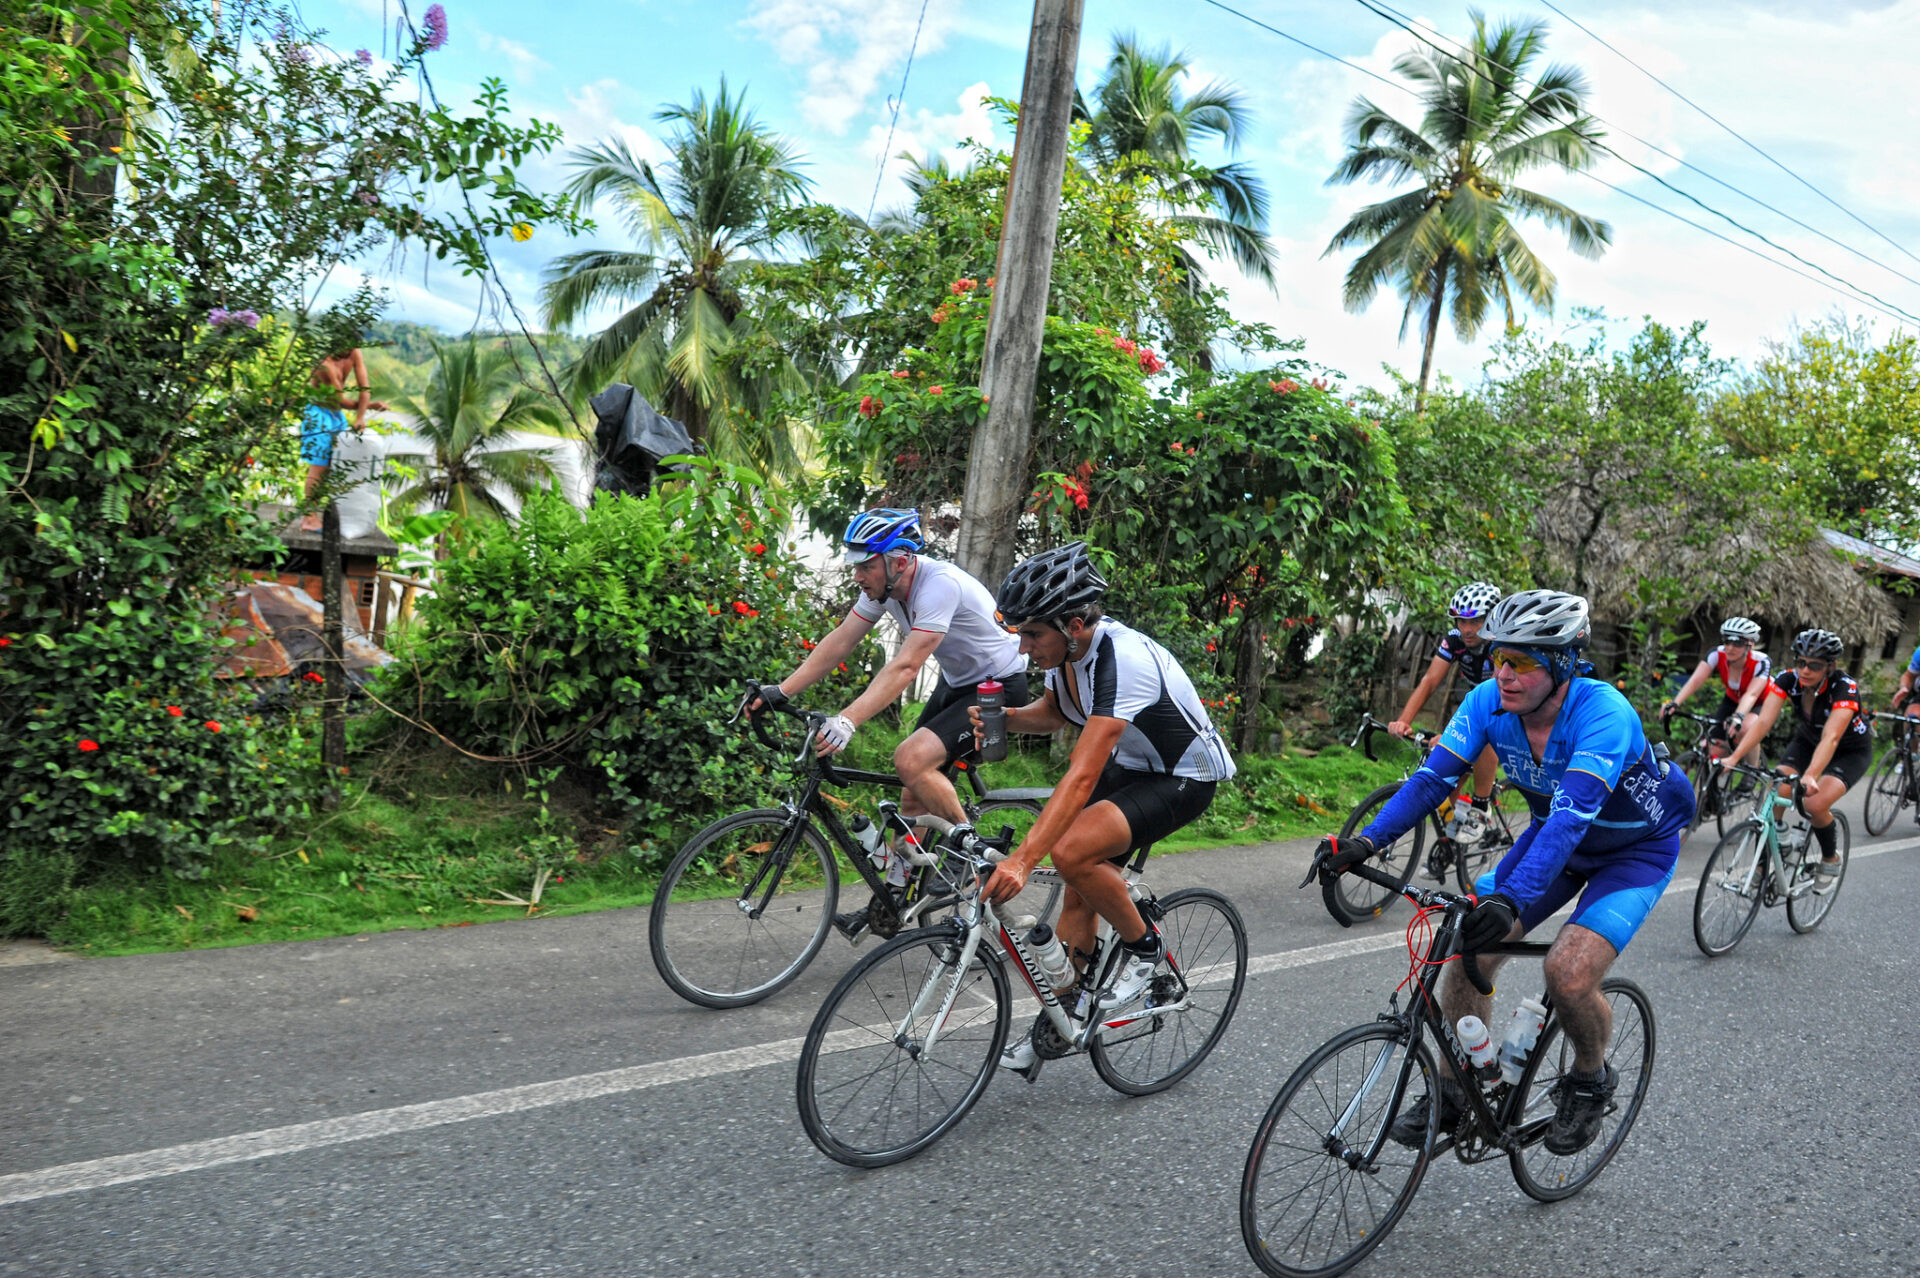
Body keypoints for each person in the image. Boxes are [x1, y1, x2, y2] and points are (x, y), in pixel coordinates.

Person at [1320, 589, 1693, 1155]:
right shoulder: (1485, 703)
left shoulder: (1603, 713)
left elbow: (1571, 818)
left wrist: (1512, 899)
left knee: (1567, 974)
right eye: (1497, 657)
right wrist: (1366, 842)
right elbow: (1430, 782)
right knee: (1467, 948)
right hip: (1555, 834)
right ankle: (1454, 1088)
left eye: (1522, 662)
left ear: (1564, 661)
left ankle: (1590, 1078)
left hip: (1632, 851)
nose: (1503, 674)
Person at [977, 542, 1236, 1075]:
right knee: (1078, 888)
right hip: (1135, 766)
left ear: (1073, 623)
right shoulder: (1067, 655)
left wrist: (1023, 859)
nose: (1024, 648)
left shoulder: (1124, 660)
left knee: (1070, 853)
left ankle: (1145, 950)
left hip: (1183, 776)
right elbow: (1054, 713)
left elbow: (1081, 774)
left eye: (1032, 634)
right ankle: (1063, 1018)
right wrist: (1006, 718)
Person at [749, 508, 1027, 940]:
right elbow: (841, 639)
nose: (857, 576)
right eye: (855, 565)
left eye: (865, 565)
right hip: (960, 684)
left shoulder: (939, 586)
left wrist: (848, 720)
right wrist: (781, 691)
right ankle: (893, 902)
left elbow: (906, 666)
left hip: (999, 689)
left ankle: (968, 851)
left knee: (910, 760)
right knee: (910, 794)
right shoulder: (885, 589)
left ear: (898, 560)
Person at [1721, 628, 1866, 880]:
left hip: (1848, 751)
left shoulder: (1845, 688)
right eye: (1801, 663)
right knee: (1777, 792)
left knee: (1814, 804)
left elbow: (1831, 737)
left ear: (1830, 667)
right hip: (1807, 742)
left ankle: (1830, 859)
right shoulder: (1788, 680)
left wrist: (1810, 775)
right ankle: (1766, 860)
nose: (1805, 671)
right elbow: (1763, 723)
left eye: (1815, 665)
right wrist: (1734, 758)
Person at [1389, 582, 1502, 844]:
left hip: (1505, 702)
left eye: (1475, 622)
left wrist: (1453, 734)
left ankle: (1481, 807)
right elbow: (1429, 680)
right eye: (1461, 621)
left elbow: (1498, 701)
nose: (1466, 629)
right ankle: (1448, 843)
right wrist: (1404, 721)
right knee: (1452, 775)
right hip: (1476, 701)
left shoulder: (1501, 644)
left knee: (1485, 733)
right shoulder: (1455, 640)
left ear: (1491, 619)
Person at [300, 347, 385, 529]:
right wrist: (369, 406)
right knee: (319, 467)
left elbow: (364, 386)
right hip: (319, 415)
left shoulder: (354, 352)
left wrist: (361, 417)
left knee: (334, 465)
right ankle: (309, 517)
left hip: (337, 416)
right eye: (343, 349)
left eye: (350, 350)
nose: (347, 354)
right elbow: (338, 399)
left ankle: (323, 512)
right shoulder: (324, 365)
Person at [1658, 616, 1770, 754]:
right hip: (1732, 700)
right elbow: (1695, 681)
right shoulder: (1717, 653)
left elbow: (1752, 694)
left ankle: (1751, 772)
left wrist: (1738, 716)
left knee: (1745, 728)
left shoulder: (1761, 661)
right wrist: (1675, 703)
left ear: (1750, 645)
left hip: (1759, 702)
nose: (1730, 648)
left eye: (1737, 643)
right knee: (1715, 746)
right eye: (1727, 641)